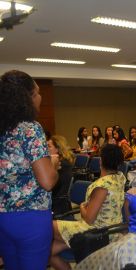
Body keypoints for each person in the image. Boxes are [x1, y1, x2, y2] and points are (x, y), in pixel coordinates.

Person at [0, 70, 58, 270]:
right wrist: (54, 166)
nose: (41, 97)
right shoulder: (30, 128)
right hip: (29, 218)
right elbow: (47, 181)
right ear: (28, 97)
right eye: (38, 92)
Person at [50, 144, 126, 269]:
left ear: (101, 160)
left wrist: (81, 207)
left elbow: (88, 219)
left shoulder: (102, 186)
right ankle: (69, 242)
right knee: (47, 252)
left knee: (47, 226)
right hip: (111, 230)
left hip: (97, 231)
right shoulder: (120, 178)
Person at [48, 135, 75, 216]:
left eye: (49, 146)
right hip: (56, 201)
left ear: (58, 149)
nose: (45, 149)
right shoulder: (57, 162)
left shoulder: (62, 164)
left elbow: (49, 186)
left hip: (58, 205)